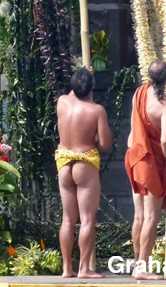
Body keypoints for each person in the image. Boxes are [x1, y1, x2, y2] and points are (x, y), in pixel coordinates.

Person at [124, 60, 166, 280]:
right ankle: (141, 268)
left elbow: (160, 99)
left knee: (140, 215)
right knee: (152, 217)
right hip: (149, 162)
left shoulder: (140, 92)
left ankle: (137, 262)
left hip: (134, 155)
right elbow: (164, 140)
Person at [55, 66, 112, 278]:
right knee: (87, 219)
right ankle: (84, 269)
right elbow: (105, 144)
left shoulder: (62, 102)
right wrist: (95, 138)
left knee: (68, 220)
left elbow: (74, 91)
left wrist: (81, 75)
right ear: (92, 88)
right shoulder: (97, 110)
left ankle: (66, 268)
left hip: (63, 162)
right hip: (84, 162)